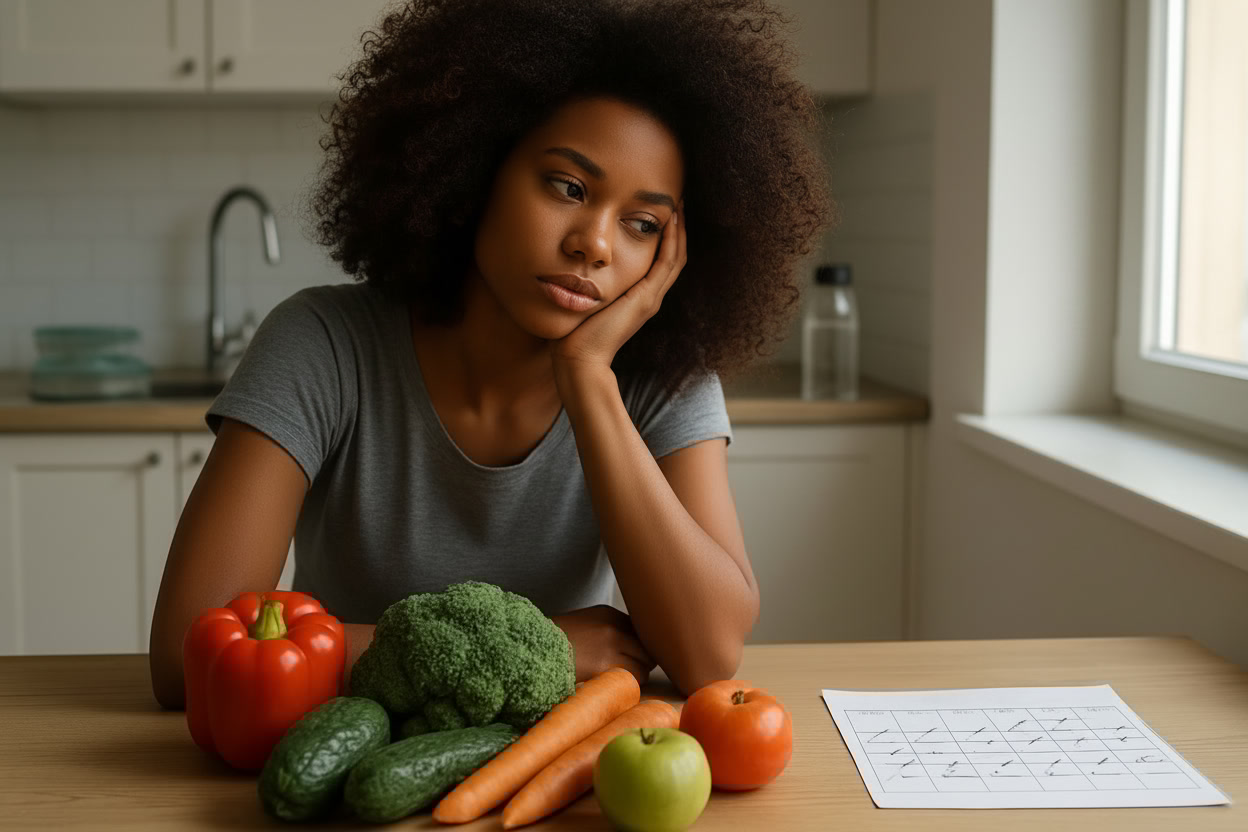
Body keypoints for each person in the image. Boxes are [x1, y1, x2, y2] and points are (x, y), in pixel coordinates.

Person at [149, 0, 832, 709]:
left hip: (556, 774)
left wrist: (588, 377)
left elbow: (709, 657)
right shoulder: (324, 344)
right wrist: (541, 643)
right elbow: (186, 657)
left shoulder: (661, 377)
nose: (595, 244)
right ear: (474, 172)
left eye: (641, 224)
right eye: (568, 187)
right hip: (340, 760)